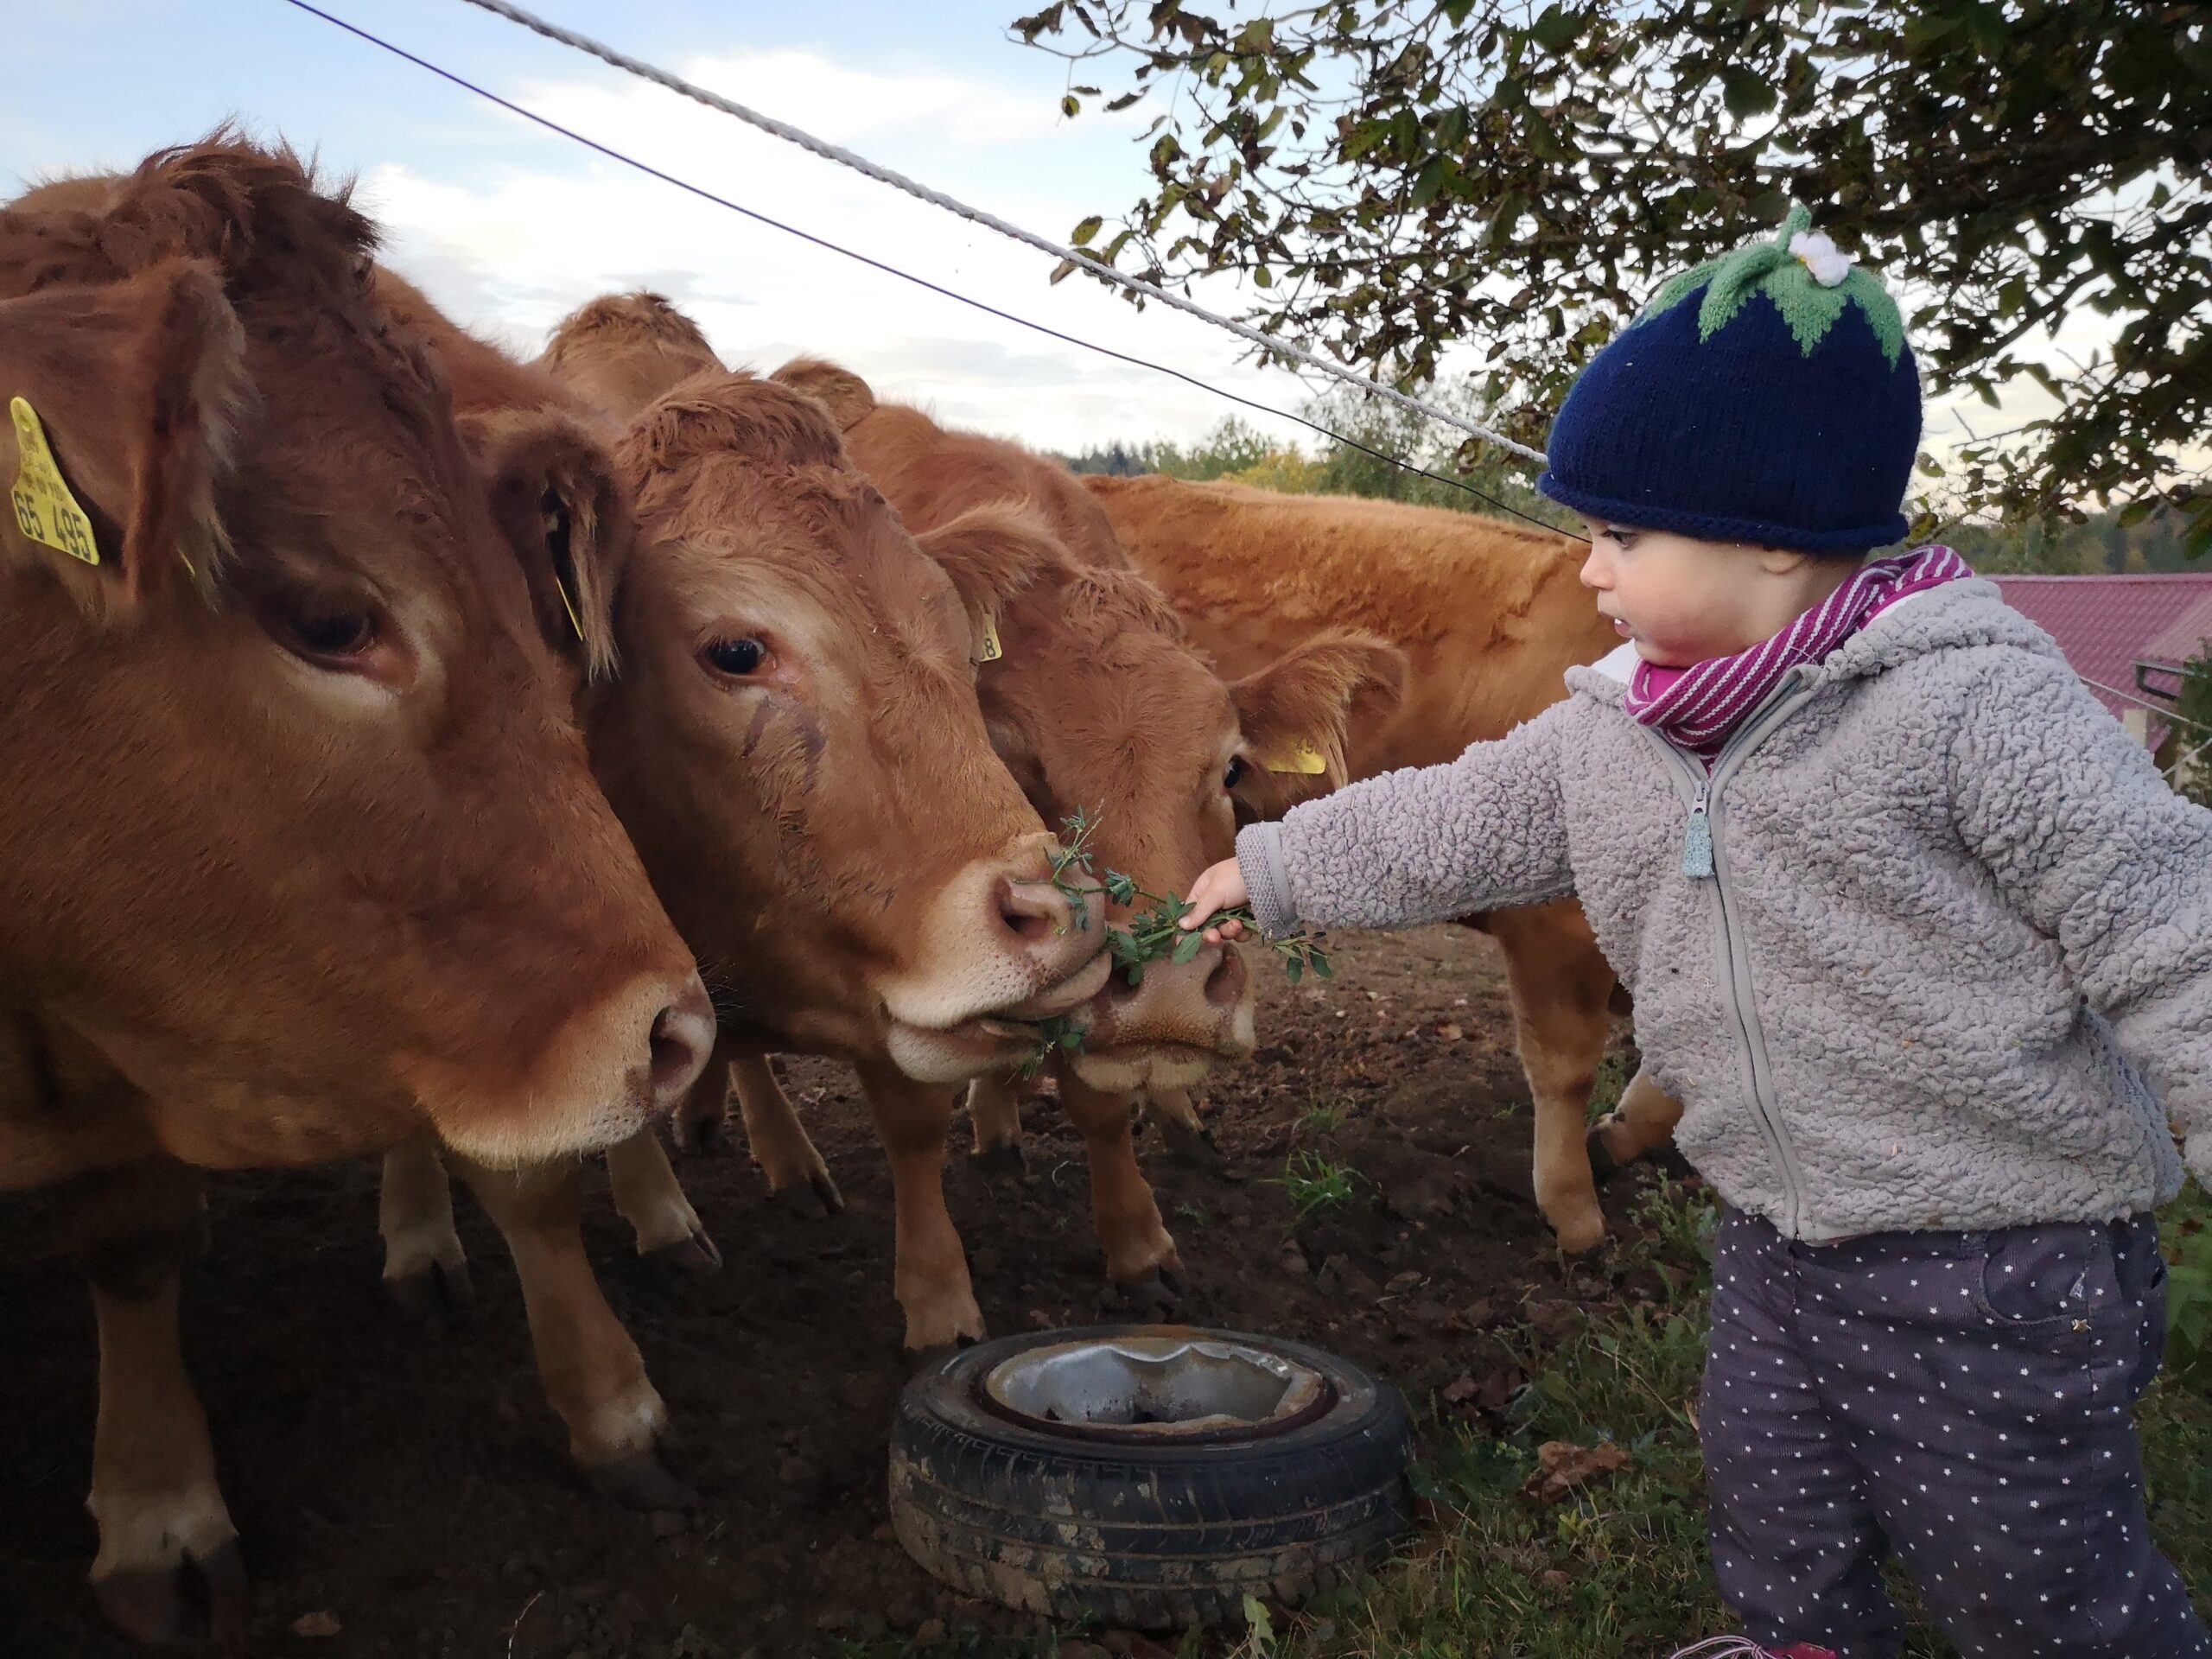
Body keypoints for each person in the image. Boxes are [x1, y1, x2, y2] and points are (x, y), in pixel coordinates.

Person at [1179, 206, 2212, 1659]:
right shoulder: (1627, 722)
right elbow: (1457, 818)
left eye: (1617, 535)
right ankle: (1803, 1642)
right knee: (1774, 1501)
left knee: (2026, 1566)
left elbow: (2168, 920)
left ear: (1773, 539)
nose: (1587, 573)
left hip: (1997, 1252)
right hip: (1779, 1233)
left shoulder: (1971, 706)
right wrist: (1271, 868)